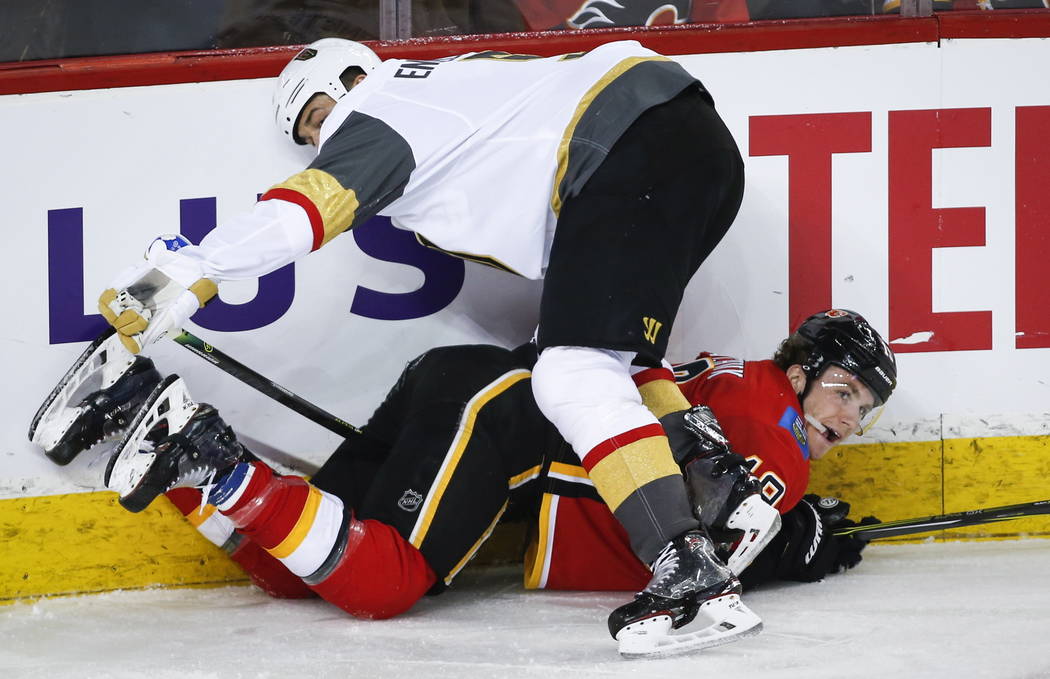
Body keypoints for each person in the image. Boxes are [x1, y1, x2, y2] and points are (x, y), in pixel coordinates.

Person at [94, 36, 753, 649]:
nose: (323, 137)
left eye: (321, 114)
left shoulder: (383, 108)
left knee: (571, 373)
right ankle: (716, 482)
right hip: (686, 142)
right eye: (309, 134)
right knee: (604, 358)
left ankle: (691, 572)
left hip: (632, 144)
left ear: (353, 78)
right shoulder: (450, 101)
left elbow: (303, 211)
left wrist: (195, 269)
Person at [33, 308, 896, 657]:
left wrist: (782, 529)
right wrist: (786, 550)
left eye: (867, 410)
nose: (849, 419)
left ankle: (143, 413)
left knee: (291, 568)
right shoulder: (770, 423)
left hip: (467, 380)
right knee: (385, 584)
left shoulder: (726, 377)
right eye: (845, 390)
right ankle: (208, 452)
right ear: (803, 368)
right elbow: (702, 559)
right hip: (500, 416)